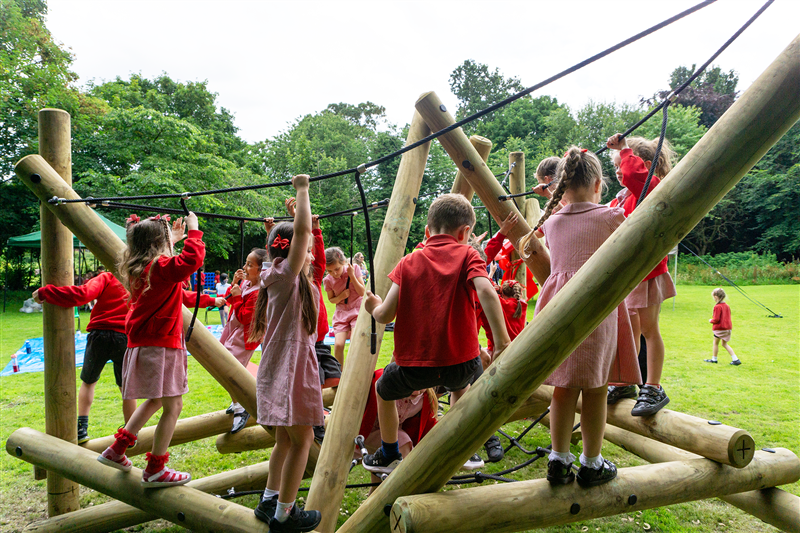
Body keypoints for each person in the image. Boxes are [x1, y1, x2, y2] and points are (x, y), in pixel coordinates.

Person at [361, 193, 511, 474]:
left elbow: (385, 315)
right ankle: (460, 447)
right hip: (462, 364)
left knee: (383, 391)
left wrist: (372, 305)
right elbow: (487, 291)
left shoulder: (408, 262)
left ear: (428, 231)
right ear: (465, 233)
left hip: (413, 368)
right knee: (461, 389)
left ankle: (390, 453)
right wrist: (502, 342)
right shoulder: (468, 254)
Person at [524, 147, 640, 487]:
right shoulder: (610, 217)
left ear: (561, 185)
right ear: (598, 184)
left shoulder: (553, 222)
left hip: (558, 309)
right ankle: (591, 462)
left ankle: (558, 460)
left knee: (564, 386)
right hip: (595, 307)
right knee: (595, 389)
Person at [97, 213, 209, 487]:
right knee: (174, 405)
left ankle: (117, 449)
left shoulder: (140, 267)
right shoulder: (160, 267)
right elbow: (190, 261)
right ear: (159, 244)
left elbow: (173, 267)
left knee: (158, 400)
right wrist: (194, 232)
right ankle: (156, 468)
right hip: (161, 344)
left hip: (145, 343)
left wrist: (175, 239)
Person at [249, 175, 322, 531]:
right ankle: (285, 513)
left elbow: (306, 239)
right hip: (291, 366)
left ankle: (268, 500)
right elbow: (304, 236)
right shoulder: (287, 274)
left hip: (280, 363)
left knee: (284, 438)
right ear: (292, 251)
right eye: (302, 247)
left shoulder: (275, 273)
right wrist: (303, 190)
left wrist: (288, 223)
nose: (307, 251)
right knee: (303, 439)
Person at [605, 134, 677, 417]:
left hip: (647, 273)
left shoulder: (653, 189)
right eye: (616, 166)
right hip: (629, 276)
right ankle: (626, 381)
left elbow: (636, 175)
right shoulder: (622, 197)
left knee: (649, 330)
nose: (619, 171)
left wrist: (624, 150)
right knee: (630, 332)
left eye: (621, 164)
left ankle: (654, 386)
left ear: (645, 165)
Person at [33, 270, 137, 444]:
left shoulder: (107, 277)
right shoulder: (137, 279)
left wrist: (46, 292)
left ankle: (81, 427)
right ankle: (132, 430)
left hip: (100, 335)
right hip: (125, 338)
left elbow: (81, 295)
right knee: (127, 388)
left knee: (89, 381)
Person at [275, 197, 342, 444]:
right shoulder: (293, 282)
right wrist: (296, 222)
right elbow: (291, 249)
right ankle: (316, 423)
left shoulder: (314, 278)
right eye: (308, 253)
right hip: (305, 344)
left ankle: (317, 413)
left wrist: (316, 231)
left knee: (333, 378)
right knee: (312, 384)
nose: (312, 257)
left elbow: (316, 253)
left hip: (320, 340)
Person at [355, 369, 438, 493]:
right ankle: (398, 490)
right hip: (364, 430)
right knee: (402, 442)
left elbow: (429, 426)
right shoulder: (385, 382)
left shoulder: (425, 398)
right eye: (411, 384)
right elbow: (371, 380)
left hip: (388, 437)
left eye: (422, 386)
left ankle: (375, 495)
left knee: (387, 462)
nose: (416, 391)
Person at [220, 248, 269, 433]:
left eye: (250, 264)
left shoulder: (259, 293)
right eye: (245, 263)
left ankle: (242, 407)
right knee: (223, 365)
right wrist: (235, 284)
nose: (245, 267)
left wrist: (237, 296)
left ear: (261, 269)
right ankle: (237, 401)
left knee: (230, 369)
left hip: (245, 335)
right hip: (234, 329)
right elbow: (230, 300)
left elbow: (245, 317)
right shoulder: (247, 284)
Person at [323, 246, 365, 366]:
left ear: (344, 263)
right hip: (341, 313)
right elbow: (331, 300)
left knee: (354, 342)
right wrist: (341, 297)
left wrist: (352, 276)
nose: (334, 273)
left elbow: (362, 292)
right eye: (330, 271)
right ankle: (339, 374)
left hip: (357, 310)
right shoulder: (328, 280)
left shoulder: (354, 268)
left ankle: (354, 371)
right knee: (338, 344)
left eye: (337, 269)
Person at [706, 288, 741, 365]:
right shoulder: (727, 306)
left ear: (716, 297)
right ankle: (735, 359)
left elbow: (716, 319)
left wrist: (710, 320)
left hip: (720, 328)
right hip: (727, 328)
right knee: (724, 344)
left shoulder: (717, 307)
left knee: (715, 343)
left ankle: (714, 359)